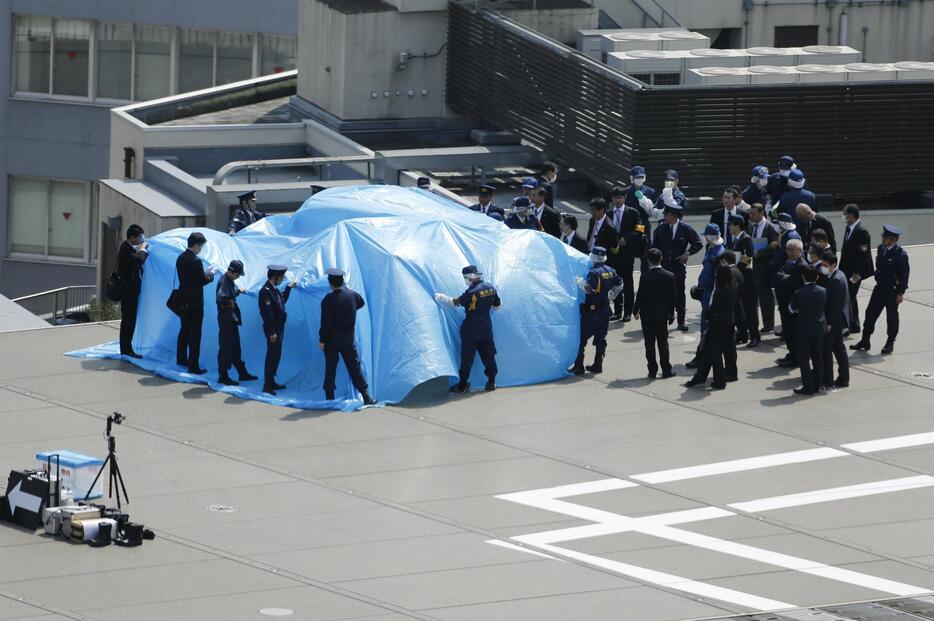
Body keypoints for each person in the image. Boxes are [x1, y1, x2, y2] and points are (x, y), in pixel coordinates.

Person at [434, 265, 502, 392]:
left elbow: (454, 302)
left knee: (467, 359)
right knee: (489, 356)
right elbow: (497, 305)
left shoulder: (471, 293)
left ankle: (462, 386)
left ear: (468, 278)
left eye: (465, 278)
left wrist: (440, 298)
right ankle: (491, 382)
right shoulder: (490, 288)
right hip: (486, 329)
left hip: (470, 331)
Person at [851, 225, 910, 355]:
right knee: (870, 313)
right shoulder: (881, 248)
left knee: (892, 317)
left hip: (892, 290)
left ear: (893, 239)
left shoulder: (900, 254)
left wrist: (900, 293)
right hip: (880, 288)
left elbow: (904, 275)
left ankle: (890, 342)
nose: (883, 239)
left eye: (886, 237)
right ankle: (865, 340)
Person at [319, 268, 375, 405]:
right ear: (342, 282)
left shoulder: (327, 300)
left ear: (330, 283)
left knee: (330, 368)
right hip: (348, 340)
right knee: (354, 368)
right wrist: (350, 289)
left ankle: (329, 397)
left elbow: (325, 323)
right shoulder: (352, 296)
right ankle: (366, 396)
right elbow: (361, 302)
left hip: (331, 341)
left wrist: (322, 339)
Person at [570, 246, 622, 375]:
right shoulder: (611, 270)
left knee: (581, 340)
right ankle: (598, 365)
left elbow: (590, 289)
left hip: (591, 313)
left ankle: (579, 365)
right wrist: (611, 295)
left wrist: (579, 282)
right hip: (605, 311)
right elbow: (620, 284)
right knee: (601, 339)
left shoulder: (593, 272)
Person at [685, 264, 737, 390]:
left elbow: (713, 308)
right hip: (729, 322)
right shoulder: (733, 287)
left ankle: (719, 381)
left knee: (715, 353)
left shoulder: (719, 291)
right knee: (711, 352)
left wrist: (708, 315)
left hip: (717, 325)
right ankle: (700, 378)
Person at [651, 203, 701, 331]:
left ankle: (681, 321)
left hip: (678, 266)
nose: (665, 217)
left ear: (673, 215)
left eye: (667, 215)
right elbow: (654, 247)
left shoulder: (686, 228)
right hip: (664, 267)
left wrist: (687, 253)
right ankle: (668, 314)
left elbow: (698, 243)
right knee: (664, 293)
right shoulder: (661, 229)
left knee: (679, 293)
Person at [176, 232, 217, 374]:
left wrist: (204, 272)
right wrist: (211, 274)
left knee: (184, 331)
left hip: (183, 301)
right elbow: (202, 280)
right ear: (197, 245)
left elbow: (190, 277)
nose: (201, 249)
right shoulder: (196, 260)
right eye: (201, 246)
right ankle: (193, 366)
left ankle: (181, 358)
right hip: (195, 303)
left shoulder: (181, 258)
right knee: (195, 335)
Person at [686, 224, 726, 368]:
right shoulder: (711, 249)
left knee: (706, 328)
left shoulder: (719, 254)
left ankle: (702, 357)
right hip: (705, 293)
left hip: (710, 296)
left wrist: (711, 300)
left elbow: (718, 280)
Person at [633, 248, 676, 379]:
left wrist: (635, 310)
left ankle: (652, 370)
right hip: (662, 315)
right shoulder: (670, 276)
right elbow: (672, 297)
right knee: (663, 343)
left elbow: (640, 296)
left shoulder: (645, 277)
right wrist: (671, 313)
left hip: (647, 316)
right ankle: (666, 370)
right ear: (661, 258)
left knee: (649, 344)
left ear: (648, 261)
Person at [216, 260, 257, 386]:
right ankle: (223, 376)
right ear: (231, 271)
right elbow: (220, 299)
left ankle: (242, 372)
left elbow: (229, 294)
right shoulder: (224, 281)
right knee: (226, 347)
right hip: (226, 320)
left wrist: (238, 292)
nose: (239, 276)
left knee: (235, 347)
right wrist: (231, 302)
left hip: (231, 319)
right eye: (238, 274)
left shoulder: (229, 280)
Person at [259, 264, 297, 395]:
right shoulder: (266, 291)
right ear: (275, 277)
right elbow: (267, 314)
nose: (282, 279)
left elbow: (282, 301)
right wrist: (272, 332)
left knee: (276, 355)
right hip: (273, 330)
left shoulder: (274, 289)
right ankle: (267, 385)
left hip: (279, 328)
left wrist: (288, 289)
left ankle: (272, 381)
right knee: (272, 355)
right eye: (281, 277)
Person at [609, 186, 645, 321]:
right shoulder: (608, 213)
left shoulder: (632, 212)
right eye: (615, 198)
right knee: (615, 282)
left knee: (628, 283)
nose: (617, 200)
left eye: (620, 198)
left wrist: (627, 238)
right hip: (613, 254)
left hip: (627, 253)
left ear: (624, 198)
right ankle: (617, 311)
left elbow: (640, 229)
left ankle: (628, 312)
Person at [789, 266, 827, 395]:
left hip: (803, 329)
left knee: (804, 359)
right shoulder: (823, 291)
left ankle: (808, 386)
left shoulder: (799, 293)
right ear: (817, 277)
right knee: (818, 358)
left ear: (803, 277)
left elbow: (792, 308)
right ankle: (818, 384)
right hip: (818, 328)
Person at [839, 204, 873, 334]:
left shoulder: (861, 231)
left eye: (845, 213)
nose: (844, 216)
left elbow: (863, 253)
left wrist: (857, 273)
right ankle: (854, 325)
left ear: (852, 215)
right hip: (846, 269)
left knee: (849, 296)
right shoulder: (849, 228)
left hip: (855, 271)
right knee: (850, 297)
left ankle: (848, 325)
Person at [116, 224, 149, 358]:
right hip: (128, 292)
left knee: (128, 320)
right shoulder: (126, 249)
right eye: (139, 237)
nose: (140, 239)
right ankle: (126, 349)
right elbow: (140, 261)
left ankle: (126, 348)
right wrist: (143, 249)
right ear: (133, 237)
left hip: (129, 291)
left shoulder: (128, 247)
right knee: (128, 321)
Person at [820, 252, 851, 389]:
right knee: (839, 349)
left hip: (834, 321)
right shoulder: (839, 275)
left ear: (833, 265)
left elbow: (834, 305)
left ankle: (828, 380)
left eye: (825, 265)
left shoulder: (835, 280)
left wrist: (829, 323)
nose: (823, 267)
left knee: (827, 349)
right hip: (839, 320)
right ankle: (844, 378)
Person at [775, 238, 807, 368]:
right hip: (784, 303)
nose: (790, 252)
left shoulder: (802, 265)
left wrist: (785, 278)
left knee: (793, 333)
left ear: (800, 250)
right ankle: (791, 354)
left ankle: (796, 357)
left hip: (793, 305)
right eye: (788, 249)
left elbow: (793, 283)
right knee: (787, 332)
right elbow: (779, 275)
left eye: (793, 250)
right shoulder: (788, 262)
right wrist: (785, 278)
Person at [747, 203, 778, 333]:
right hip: (754, 266)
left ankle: (768, 323)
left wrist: (759, 253)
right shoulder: (751, 226)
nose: (751, 216)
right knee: (755, 295)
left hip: (765, 266)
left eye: (753, 213)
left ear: (761, 213)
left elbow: (774, 244)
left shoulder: (770, 227)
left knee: (765, 297)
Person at [729, 214, 758, 346]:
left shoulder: (746, 239)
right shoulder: (735, 239)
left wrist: (735, 268)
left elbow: (748, 257)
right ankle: (742, 333)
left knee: (750, 308)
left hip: (746, 279)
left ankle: (754, 336)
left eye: (731, 225)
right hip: (738, 279)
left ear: (737, 226)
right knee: (739, 309)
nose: (729, 227)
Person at [625, 165, 657, 266]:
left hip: (643, 226)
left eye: (641, 177)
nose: (639, 180)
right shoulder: (625, 192)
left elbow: (653, 211)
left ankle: (645, 279)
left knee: (645, 255)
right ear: (632, 178)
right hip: (629, 227)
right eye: (637, 177)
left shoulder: (650, 192)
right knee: (628, 257)